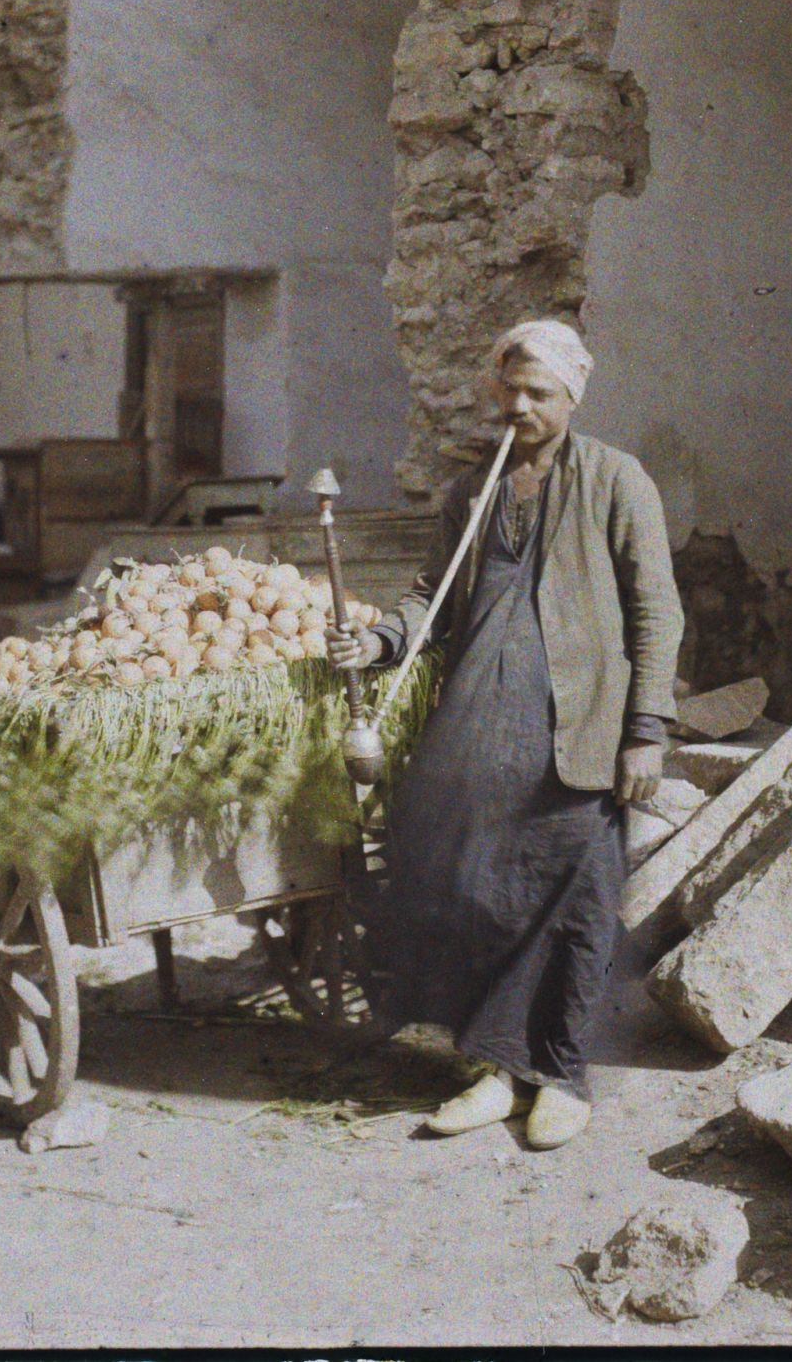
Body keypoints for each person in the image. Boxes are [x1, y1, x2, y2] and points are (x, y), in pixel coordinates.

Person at [328, 319, 683, 1151]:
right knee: (482, 893)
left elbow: (656, 611)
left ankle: (560, 1073)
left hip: (582, 729)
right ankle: (495, 1068)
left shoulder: (615, 480)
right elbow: (432, 596)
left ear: (572, 397)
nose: (521, 405)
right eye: (511, 389)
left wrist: (647, 730)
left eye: (541, 393)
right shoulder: (473, 492)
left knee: (580, 903)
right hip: (485, 731)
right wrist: (379, 639)